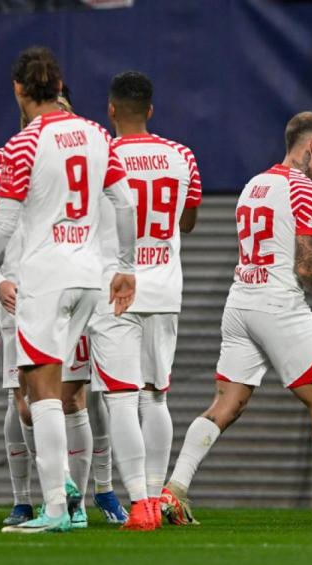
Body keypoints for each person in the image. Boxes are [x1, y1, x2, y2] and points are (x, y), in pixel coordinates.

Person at [160, 112, 312, 526]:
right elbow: (306, 266)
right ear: (311, 145)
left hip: (240, 303)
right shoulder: (308, 192)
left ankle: (175, 489)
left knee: (226, 403)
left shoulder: (253, 185)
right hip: (280, 307)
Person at [0, 46, 137, 534]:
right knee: (71, 394)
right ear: (59, 85)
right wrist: (127, 268)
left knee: (43, 394)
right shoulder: (98, 133)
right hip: (89, 277)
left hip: (44, 279)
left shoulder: (22, 145)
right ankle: (78, 500)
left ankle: (56, 507)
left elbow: (5, 219)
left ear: (18, 88)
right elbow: (125, 203)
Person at [88, 70, 203, 529]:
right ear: (151, 110)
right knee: (156, 398)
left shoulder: (103, 154)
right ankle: (157, 496)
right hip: (164, 287)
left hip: (115, 285)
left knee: (120, 399)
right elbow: (188, 222)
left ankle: (139, 502)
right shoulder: (182, 155)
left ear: (112, 109)